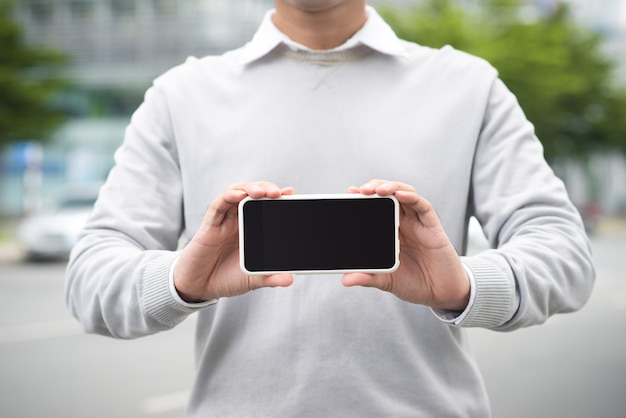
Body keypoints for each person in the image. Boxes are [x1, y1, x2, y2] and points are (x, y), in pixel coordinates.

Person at [65, 1, 595, 416]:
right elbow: (90, 279)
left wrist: (462, 285)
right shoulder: (180, 96)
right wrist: (182, 278)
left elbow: (564, 254)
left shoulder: (469, 86)